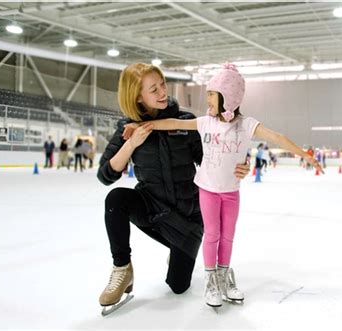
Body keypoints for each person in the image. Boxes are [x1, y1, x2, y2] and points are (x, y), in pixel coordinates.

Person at [123, 63, 323, 308]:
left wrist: (306, 155)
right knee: (213, 235)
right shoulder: (206, 122)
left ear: (228, 98)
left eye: (212, 95)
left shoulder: (246, 125)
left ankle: (223, 275)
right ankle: (211, 281)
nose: (207, 100)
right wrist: (141, 125)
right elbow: (173, 123)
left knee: (228, 237)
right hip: (207, 191)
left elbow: (277, 137)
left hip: (231, 193)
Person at [96, 63, 250, 314]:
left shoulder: (186, 121)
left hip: (187, 217)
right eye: (153, 89)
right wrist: (131, 144)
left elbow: (211, 157)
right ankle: (122, 269)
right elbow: (105, 175)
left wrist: (241, 163)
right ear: (137, 96)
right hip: (152, 208)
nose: (162, 92)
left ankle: (178, 250)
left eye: (163, 85)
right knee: (116, 199)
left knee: (178, 286)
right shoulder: (128, 128)